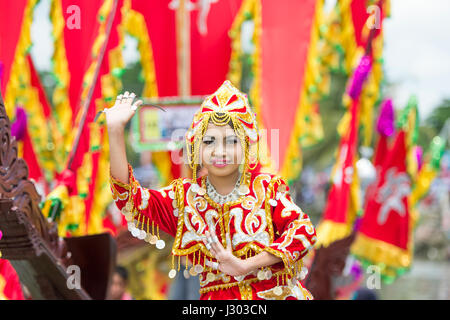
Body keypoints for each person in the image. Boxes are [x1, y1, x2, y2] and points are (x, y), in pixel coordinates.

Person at [107, 80, 317, 300]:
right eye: (209, 141)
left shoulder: (266, 190)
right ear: (197, 148)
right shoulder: (185, 199)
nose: (220, 151)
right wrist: (115, 131)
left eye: (231, 142)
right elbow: (129, 197)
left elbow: (303, 232)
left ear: (246, 147)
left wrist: (246, 265)